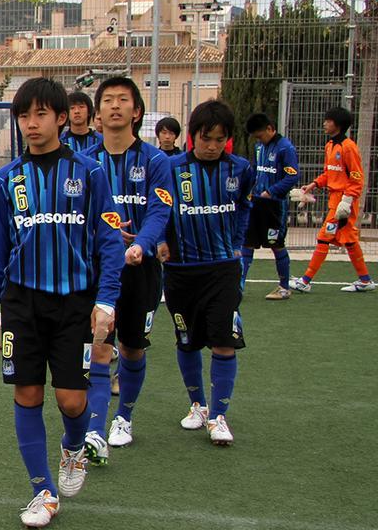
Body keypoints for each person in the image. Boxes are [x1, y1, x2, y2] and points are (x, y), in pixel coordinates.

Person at [0, 77, 122, 526]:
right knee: (27, 391)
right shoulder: (8, 179)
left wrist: (107, 300)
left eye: (41, 114)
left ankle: (74, 447)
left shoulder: (91, 172)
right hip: (21, 302)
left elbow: (110, 239)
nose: (31, 123)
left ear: (62, 118)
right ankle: (42, 491)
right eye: (24, 115)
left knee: (72, 401)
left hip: (74, 302)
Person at [129, 99, 252, 446]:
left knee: (223, 342)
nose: (212, 146)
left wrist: (238, 243)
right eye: (205, 138)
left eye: (219, 139)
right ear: (193, 135)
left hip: (223, 269)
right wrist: (163, 240)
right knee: (187, 341)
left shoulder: (240, 169)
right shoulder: (172, 167)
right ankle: (197, 404)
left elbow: (244, 207)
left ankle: (219, 415)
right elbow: (160, 207)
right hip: (182, 270)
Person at [80, 77, 173, 463]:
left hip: (140, 269)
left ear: (136, 111)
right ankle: (95, 429)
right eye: (107, 100)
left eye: (123, 100)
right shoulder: (83, 160)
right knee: (98, 345)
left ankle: (125, 417)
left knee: (131, 348)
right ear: (97, 113)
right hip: (96, 269)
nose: (114, 106)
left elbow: (159, 211)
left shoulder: (155, 161)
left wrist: (140, 244)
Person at [291, 106, 376, 293]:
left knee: (323, 238)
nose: (324, 123)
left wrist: (346, 201)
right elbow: (329, 174)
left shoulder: (349, 148)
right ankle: (365, 280)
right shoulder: (330, 145)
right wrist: (313, 184)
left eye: (328, 120)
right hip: (334, 200)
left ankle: (305, 281)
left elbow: (357, 178)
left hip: (344, 202)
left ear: (337, 125)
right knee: (350, 240)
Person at [243, 113, 300, 300]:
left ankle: (284, 287)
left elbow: (292, 176)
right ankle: (238, 286)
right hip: (256, 202)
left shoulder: (286, 148)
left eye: (260, 135)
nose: (258, 140)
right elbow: (255, 170)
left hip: (275, 206)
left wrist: (271, 192)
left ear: (270, 128)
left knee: (276, 244)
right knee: (248, 243)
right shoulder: (260, 147)